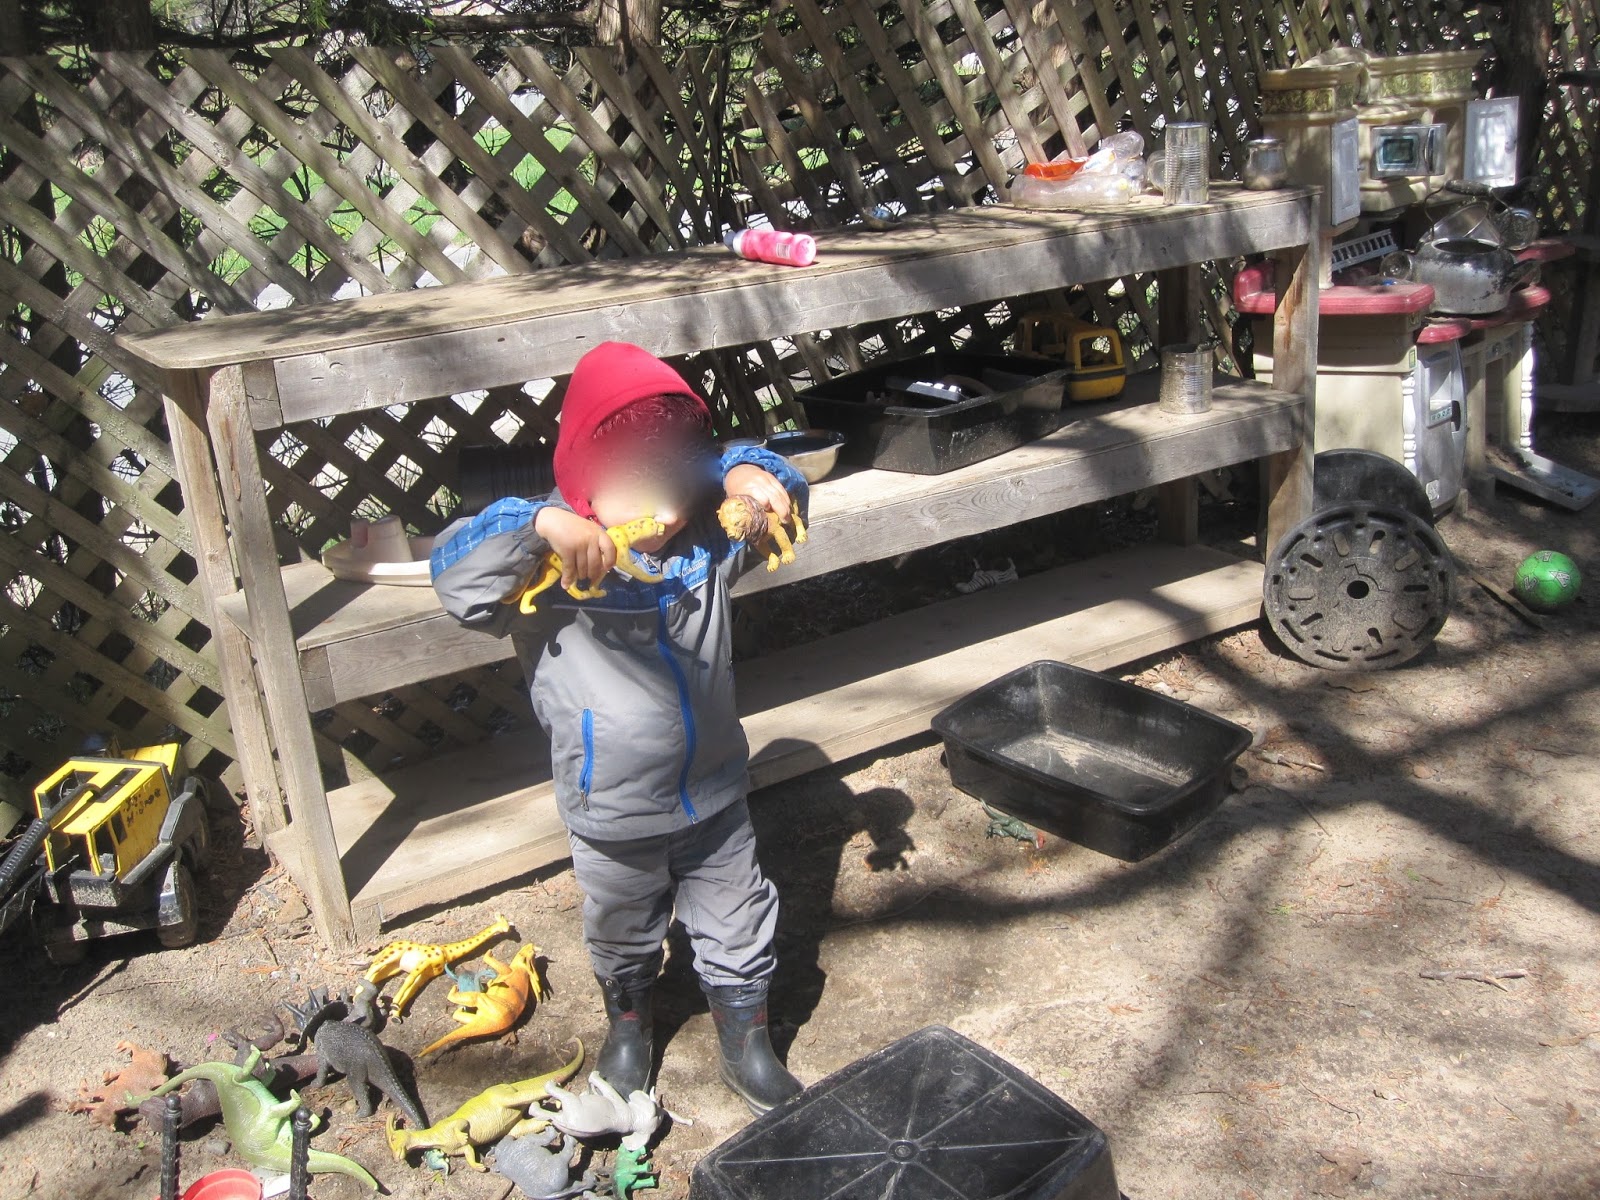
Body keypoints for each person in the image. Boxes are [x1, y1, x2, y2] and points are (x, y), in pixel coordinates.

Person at [430, 340, 806, 1114]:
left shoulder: (707, 547)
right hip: (612, 811)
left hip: (715, 796)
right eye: (635, 487)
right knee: (622, 927)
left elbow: (781, 490)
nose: (659, 514)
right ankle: (629, 1026)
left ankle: (747, 1041)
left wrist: (745, 471)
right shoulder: (545, 574)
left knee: (740, 919)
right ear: (584, 483)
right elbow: (454, 574)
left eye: (673, 484)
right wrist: (540, 522)